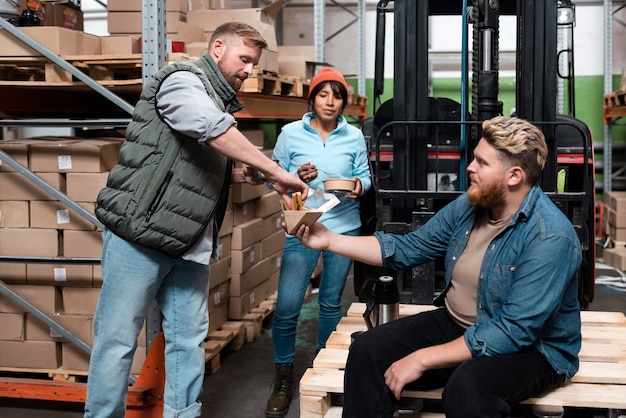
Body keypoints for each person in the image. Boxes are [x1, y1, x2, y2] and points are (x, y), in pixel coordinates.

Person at [84, 21, 308, 418]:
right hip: (142, 236)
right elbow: (209, 128)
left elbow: (208, 167)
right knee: (117, 342)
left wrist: (258, 175)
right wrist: (275, 170)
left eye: (255, 64)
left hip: (190, 245)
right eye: (244, 59)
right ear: (218, 47)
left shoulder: (220, 102)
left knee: (188, 343)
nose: (249, 70)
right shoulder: (182, 82)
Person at [295, 116, 583, 418]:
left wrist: (421, 358)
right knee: (367, 350)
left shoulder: (550, 237)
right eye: (474, 158)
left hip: (533, 349)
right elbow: (408, 247)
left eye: (481, 163)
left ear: (513, 176)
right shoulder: (470, 206)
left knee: (467, 391)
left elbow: (513, 331)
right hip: (459, 324)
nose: (470, 167)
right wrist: (327, 240)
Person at [265, 67, 372, 418]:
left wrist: (358, 186)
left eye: (337, 95)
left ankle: (322, 370)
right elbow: (273, 181)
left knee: (330, 304)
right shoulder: (290, 133)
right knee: (286, 309)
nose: (330, 102)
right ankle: (282, 377)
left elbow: (365, 178)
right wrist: (296, 177)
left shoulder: (353, 135)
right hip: (303, 227)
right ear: (312, 99)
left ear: (344, 102)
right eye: (323, 94)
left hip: (343, 227)